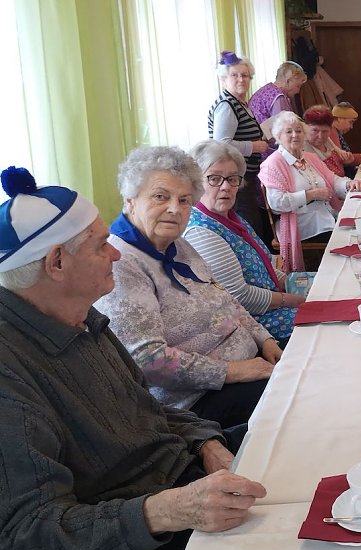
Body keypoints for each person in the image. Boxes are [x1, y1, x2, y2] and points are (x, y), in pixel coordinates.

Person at [0, 166, 266, 550]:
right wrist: (167, 511)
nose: (117, 254)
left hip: (177, 475)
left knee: (295, 445)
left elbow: (146, 407)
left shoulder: (82, 317)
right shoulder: (11, 376)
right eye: (102, 245)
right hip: (128, 542)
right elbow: (27, 536)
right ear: (56, 262)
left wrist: (206, 442)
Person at [95, 146, 281, 429]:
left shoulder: (178, 244)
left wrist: (264, 339)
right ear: (130, 200)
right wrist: (233, 371)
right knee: (302, 401)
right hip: (196, 402)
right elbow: (149, 361)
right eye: (160, 196)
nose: (175, 208)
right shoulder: (122, 264)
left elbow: (224, 299)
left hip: (248, 365)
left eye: (184, 200)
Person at [184, 140, 313, 345]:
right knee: (326, 325)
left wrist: (293, 283)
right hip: (255, 324)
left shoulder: (231, 217)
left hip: (273, 304)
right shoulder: (201, 231)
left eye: (232, 179)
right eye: (214, 178)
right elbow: (239, 297)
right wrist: (296, 300)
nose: (226, 187)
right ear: (195, 183)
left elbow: (264, 265)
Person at [259, 111, 361, 246]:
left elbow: (333, 180)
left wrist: (349, 184)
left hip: (326, 216)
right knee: (352, 237)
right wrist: (311, 195)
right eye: (289, 132)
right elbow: (277, 203)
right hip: (302, 224)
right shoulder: (272, 164)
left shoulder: (309, 157)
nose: (295, 135)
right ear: (278, 136)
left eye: (298, 131)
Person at [207, 50, 270, 242]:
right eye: (234, 75)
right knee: (248, 223)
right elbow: (221, 144)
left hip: (245, 175)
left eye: (245, 75)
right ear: (223, 79)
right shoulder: (227, 105)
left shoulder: (240, 103)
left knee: (252, 222)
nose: (241, 79)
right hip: (234, 177)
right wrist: (254, 147)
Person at [303, 104, 361, 179]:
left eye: (325, 131)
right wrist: (359, 158)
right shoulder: (303, 148)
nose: (320, 136)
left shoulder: (328, 142)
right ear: (305, 127)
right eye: (315, 130)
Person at [331, 101, 361, 177]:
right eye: (350, 122)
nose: (351, 127)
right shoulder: (331, 132)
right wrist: (360, 158)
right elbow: (339, 158)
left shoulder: (337, 132)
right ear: (339, 119)